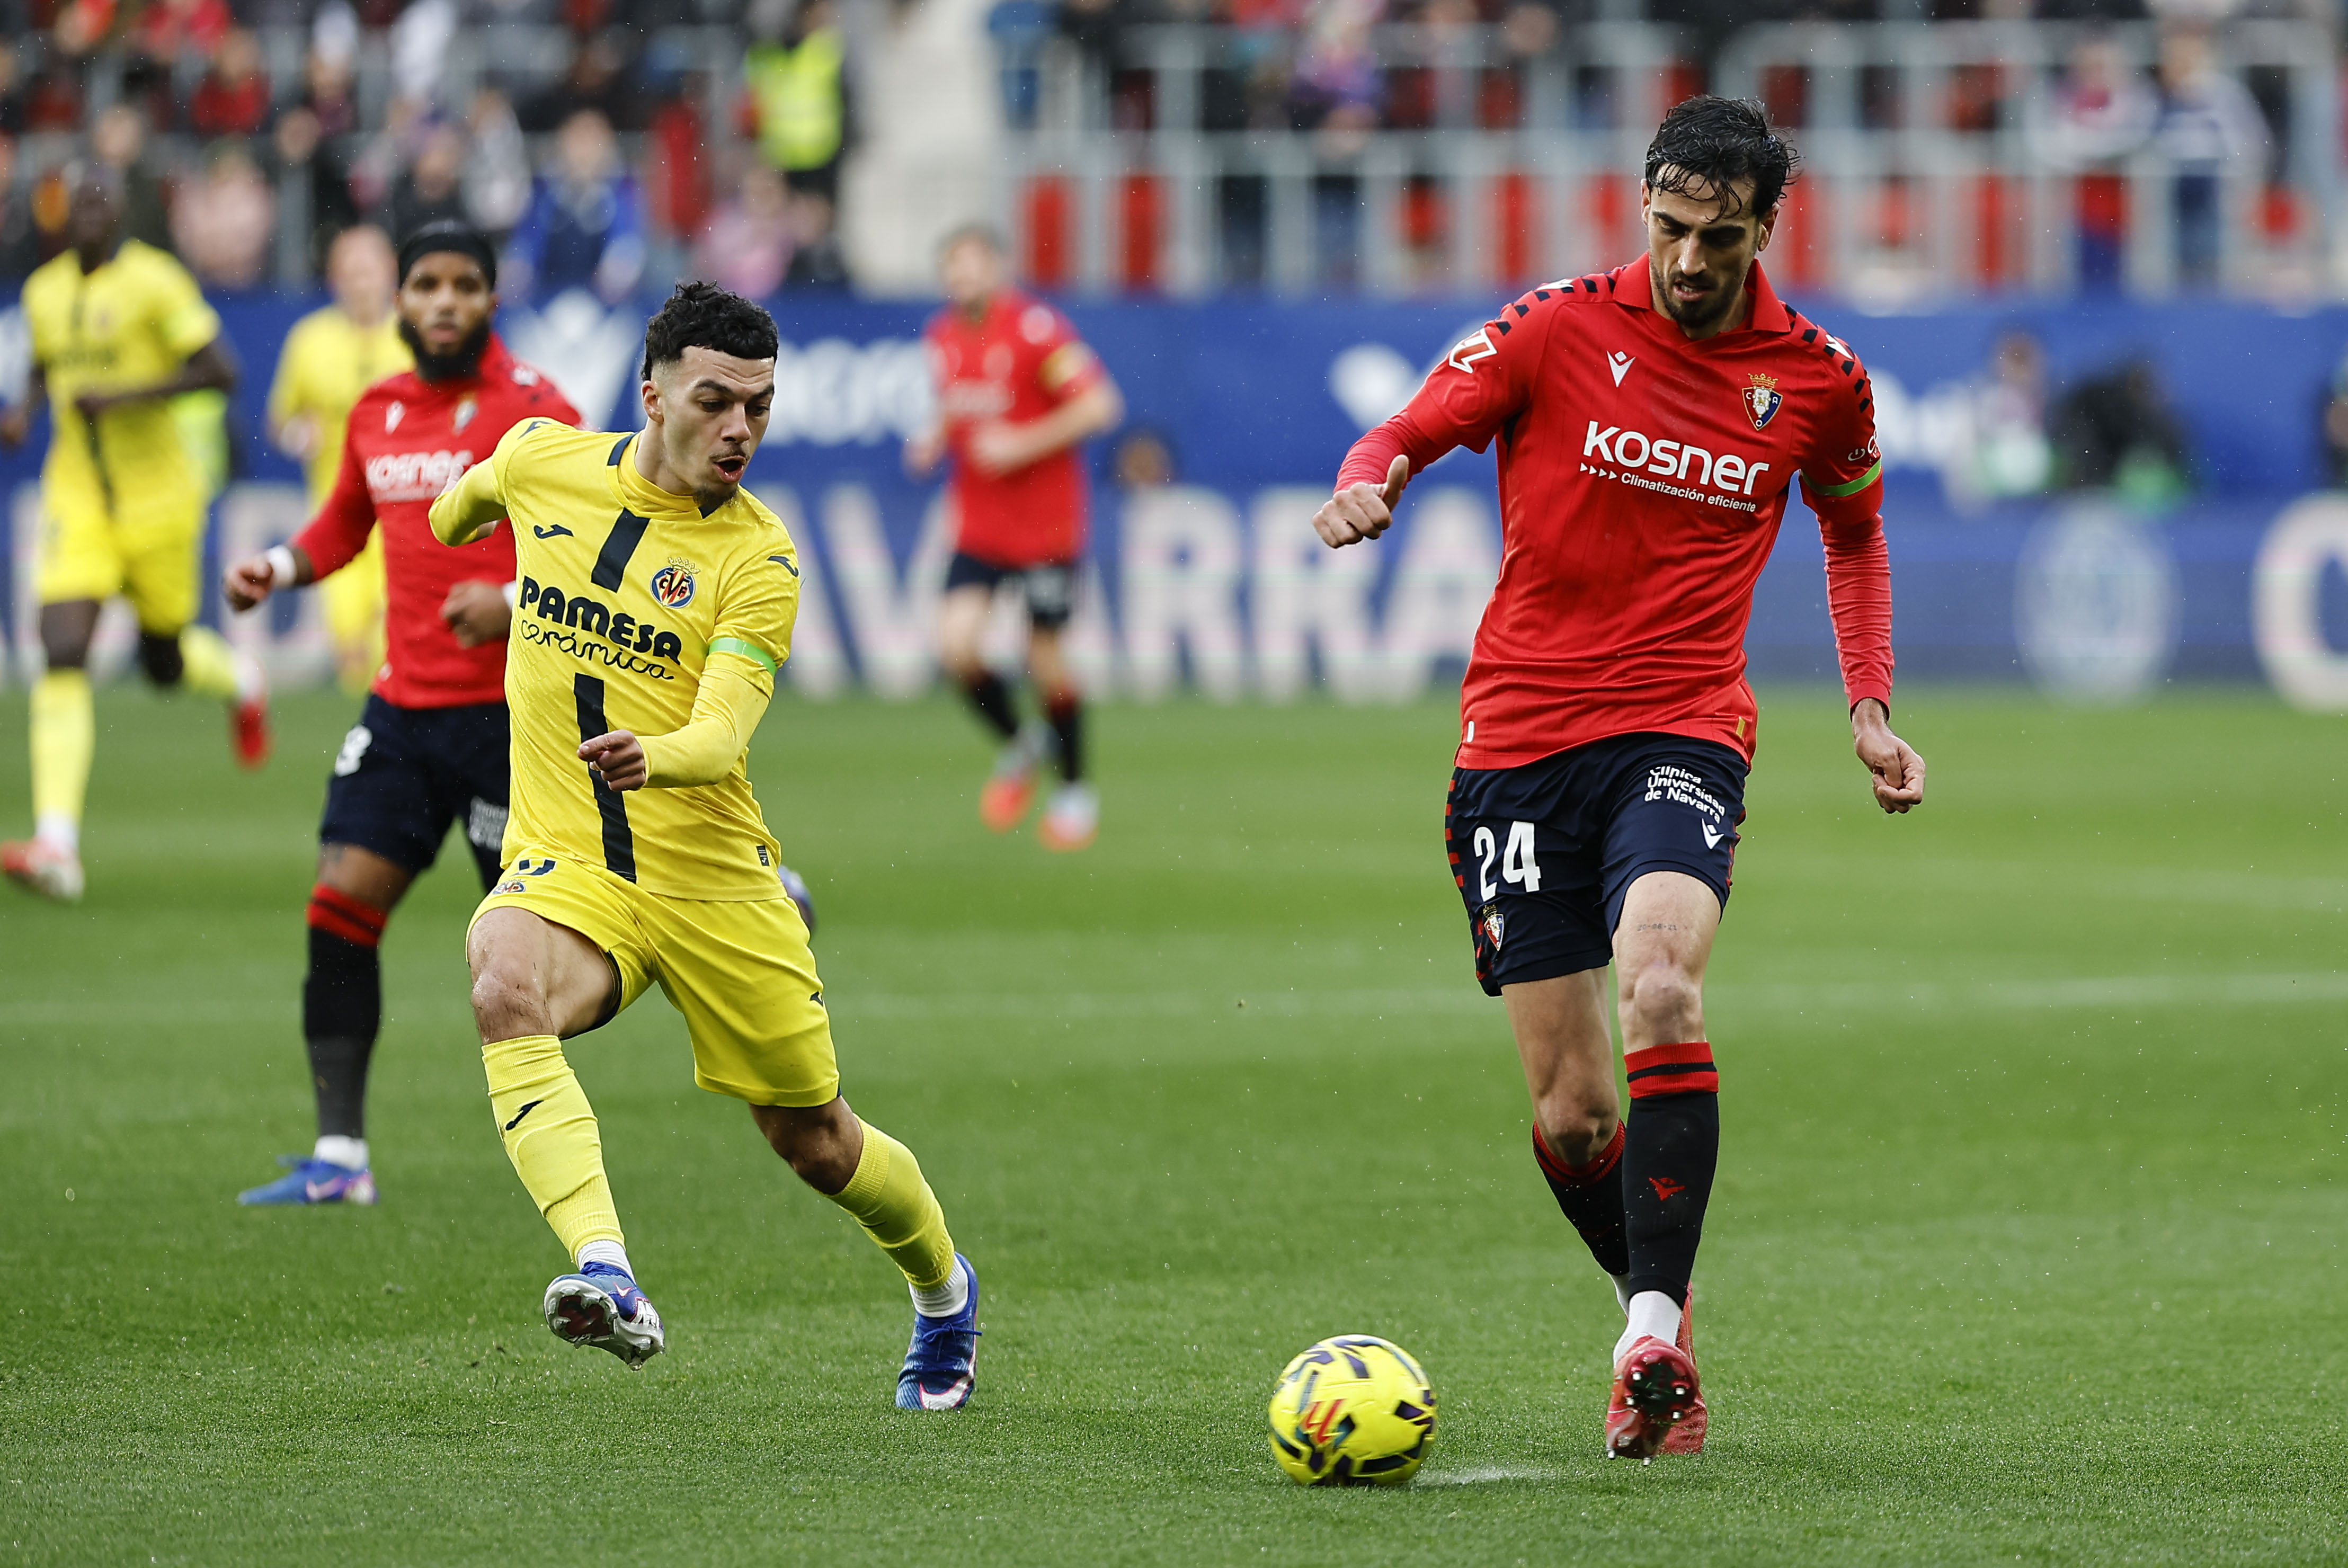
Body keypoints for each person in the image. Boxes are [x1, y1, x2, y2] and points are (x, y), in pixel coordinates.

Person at [1314, 96, 1926, 1460]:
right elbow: (1408, 426)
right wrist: (1370, 480)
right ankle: (1661, 1293)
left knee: (1661, 979)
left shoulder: (1819, 379)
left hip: (1683, 728)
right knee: (1577, 1114)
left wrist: (1869, 703)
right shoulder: (1558, 325)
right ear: (1640, 207)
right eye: (1669, 227)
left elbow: (1855, 532)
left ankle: (1645, 1329)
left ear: (1768, 226)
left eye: (1720, 235)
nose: (1690, 259)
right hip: (1517, 748)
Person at [427, 281, 978, 1407]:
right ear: (654, 395)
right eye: (717, 401)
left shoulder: (759, 559)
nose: (740, 430)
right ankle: (607, 1272)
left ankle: (943, 1290)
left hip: (712, 876)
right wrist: (474, 530)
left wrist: (656, 754)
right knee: (501, 981)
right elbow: (461, 504)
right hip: (572, 864)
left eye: (760, 408)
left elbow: (722, 729)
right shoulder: (544, 458)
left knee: (814, 1142)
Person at [221, 222, 580, 1207]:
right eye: (428, 284)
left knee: (547, 968)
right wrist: (281, 568)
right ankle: (340, 1160)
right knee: (340, 905)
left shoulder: (538, 410)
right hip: (403, 712)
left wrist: (508, 603)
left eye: (466, 284)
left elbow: (598, 551)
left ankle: (713, 903)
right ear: (405, 299)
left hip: (514, 722)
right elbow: (345, 521)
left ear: (491, 300)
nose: (445, 301)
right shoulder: (377, 410)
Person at [0, 167, 268, 904]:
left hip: (160, 503)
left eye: (100, 203)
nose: (89, 214)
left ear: (119, 213)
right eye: (76, 203)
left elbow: (222, 371)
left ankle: (242, 680)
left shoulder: (156, 282)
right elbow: (44, 367)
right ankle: (58, 842)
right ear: (60, 216)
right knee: (60, 650)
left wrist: (124, 398)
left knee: (163, 664)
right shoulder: (44, 291)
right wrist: (23, 412)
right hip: (77, 498)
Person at [905, 226, 1123, 850]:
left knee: (1044, 661)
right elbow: (958, 406)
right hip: (980, 524)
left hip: (1047, 528)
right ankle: (1025, 744)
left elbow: (1101, 406)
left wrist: (1021, 445)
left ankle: (1075, 788)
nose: (963, 279)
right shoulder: (941, 336)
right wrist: (934, 440)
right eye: (953, 268)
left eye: (974, 266)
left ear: (998, 267)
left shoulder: (1037, 330)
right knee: (955, 645)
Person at [266, 224, 413, 695]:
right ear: (334, 279)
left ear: (391, 274)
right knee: (350, 645)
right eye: (350, 272)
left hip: (405, 512)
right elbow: (280, 420)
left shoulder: (416, 338)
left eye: (368, 271)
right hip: (338, 513)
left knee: (393, 637)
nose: (360, 283)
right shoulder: (309, 341)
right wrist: (297, 435)